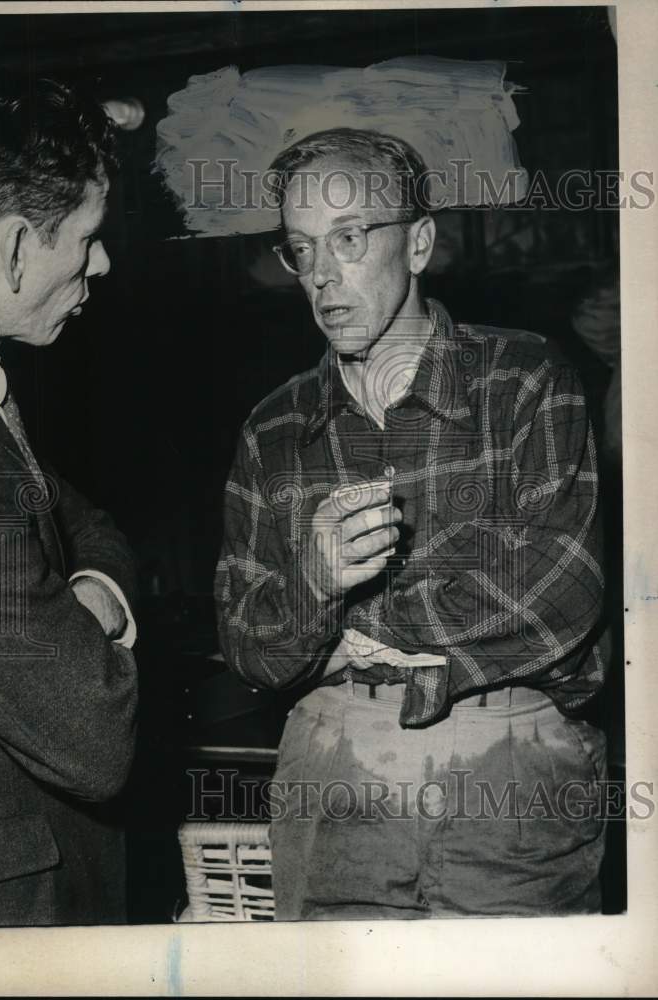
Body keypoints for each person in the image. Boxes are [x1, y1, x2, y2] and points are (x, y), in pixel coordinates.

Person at [215, 128, 610, 920]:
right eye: (301, 249)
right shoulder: (273, 427)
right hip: (332, 763)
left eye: (349, 238)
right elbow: (246, 643)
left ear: (419, 243)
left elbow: (560, 594)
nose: (321, 275)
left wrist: (348, 628)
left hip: (507, 759)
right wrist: (315, 579)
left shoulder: (524, 379)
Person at [0, 61, 139, 927]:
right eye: (86, 236)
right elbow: (94, 733)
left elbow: (84, 522)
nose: (101, 261)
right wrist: (87, 636)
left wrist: (93, 593)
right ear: (15, 247)